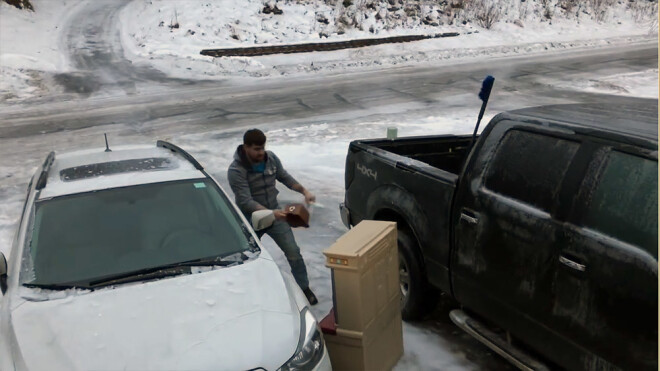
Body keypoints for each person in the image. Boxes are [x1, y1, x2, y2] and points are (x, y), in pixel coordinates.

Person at [227, 129, 318, 305]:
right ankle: (248, 295)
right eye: (256, 149)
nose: (261, 153)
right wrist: (269, 213)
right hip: (250, 219)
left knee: (294, 253)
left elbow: (284, 177)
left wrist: (304, 191)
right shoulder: (236, 170)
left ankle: (304, 288)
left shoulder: (271, 159)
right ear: (245, 147)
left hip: (275, 214)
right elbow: (245, 201)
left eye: (262, 148)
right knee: (248, 259)